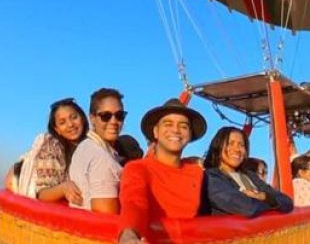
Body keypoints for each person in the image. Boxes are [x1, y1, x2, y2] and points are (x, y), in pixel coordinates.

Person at [118, 98, 208, 243]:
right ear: (155, 132)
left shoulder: (196, 173)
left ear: (189, 134)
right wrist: (129, 235)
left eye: (183, 126)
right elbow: (134, 203)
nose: (175, 130)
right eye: (168, 124)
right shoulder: (137, 168)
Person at [5, 97, 89, 205]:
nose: (70, 124)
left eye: (74, 117)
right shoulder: (52, 146)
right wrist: (63, 188)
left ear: (82, 118)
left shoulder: (90, 144)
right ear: (57, 129)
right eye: (62, 122)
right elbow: (41, 193)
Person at [202, 127, 293, 217]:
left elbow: (287, 202)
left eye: (241, 145)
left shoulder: (250, 176)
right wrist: (273, 203)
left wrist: (264, 197)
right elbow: (247, 208)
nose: (237, 149)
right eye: (230, 143)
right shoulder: (211, 177)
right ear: (218, 146)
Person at [69, 88, 127, 213]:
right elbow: (106, 216)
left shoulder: (85, 147)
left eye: (119, 116)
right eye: (105, 116)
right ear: (92, 118)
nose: (114, 122)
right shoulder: (101, 158)